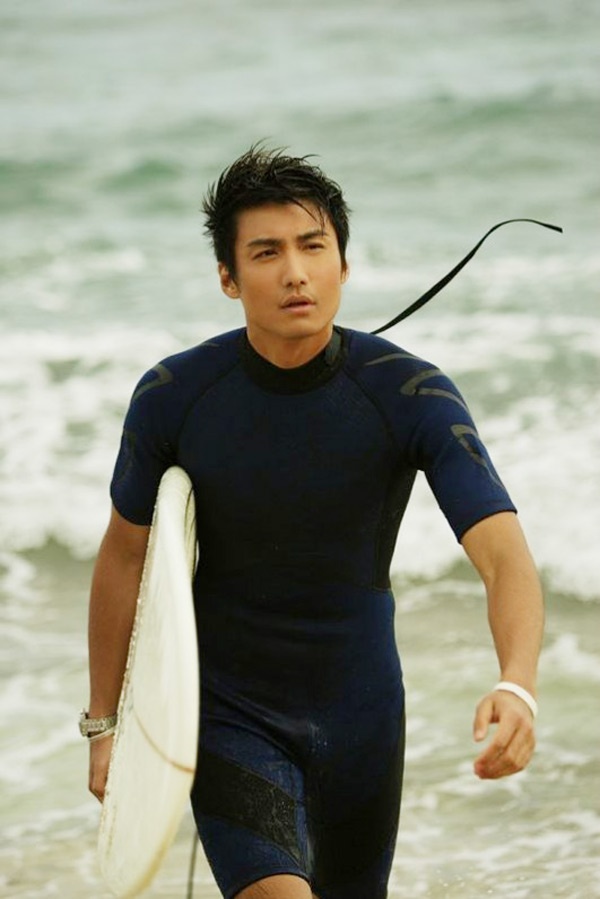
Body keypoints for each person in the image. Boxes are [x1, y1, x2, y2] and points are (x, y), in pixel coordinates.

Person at [84, 146, 544, 899]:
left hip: (362, 715)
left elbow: (503, 554)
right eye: (266, 253)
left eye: (313, 247)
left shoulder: (410, 394)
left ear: (344, 265)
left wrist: (517, 684)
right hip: (228, 714)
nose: (295, 272)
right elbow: (125, 557)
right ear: (228, 277)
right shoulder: (175, 396)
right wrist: (105, 725)